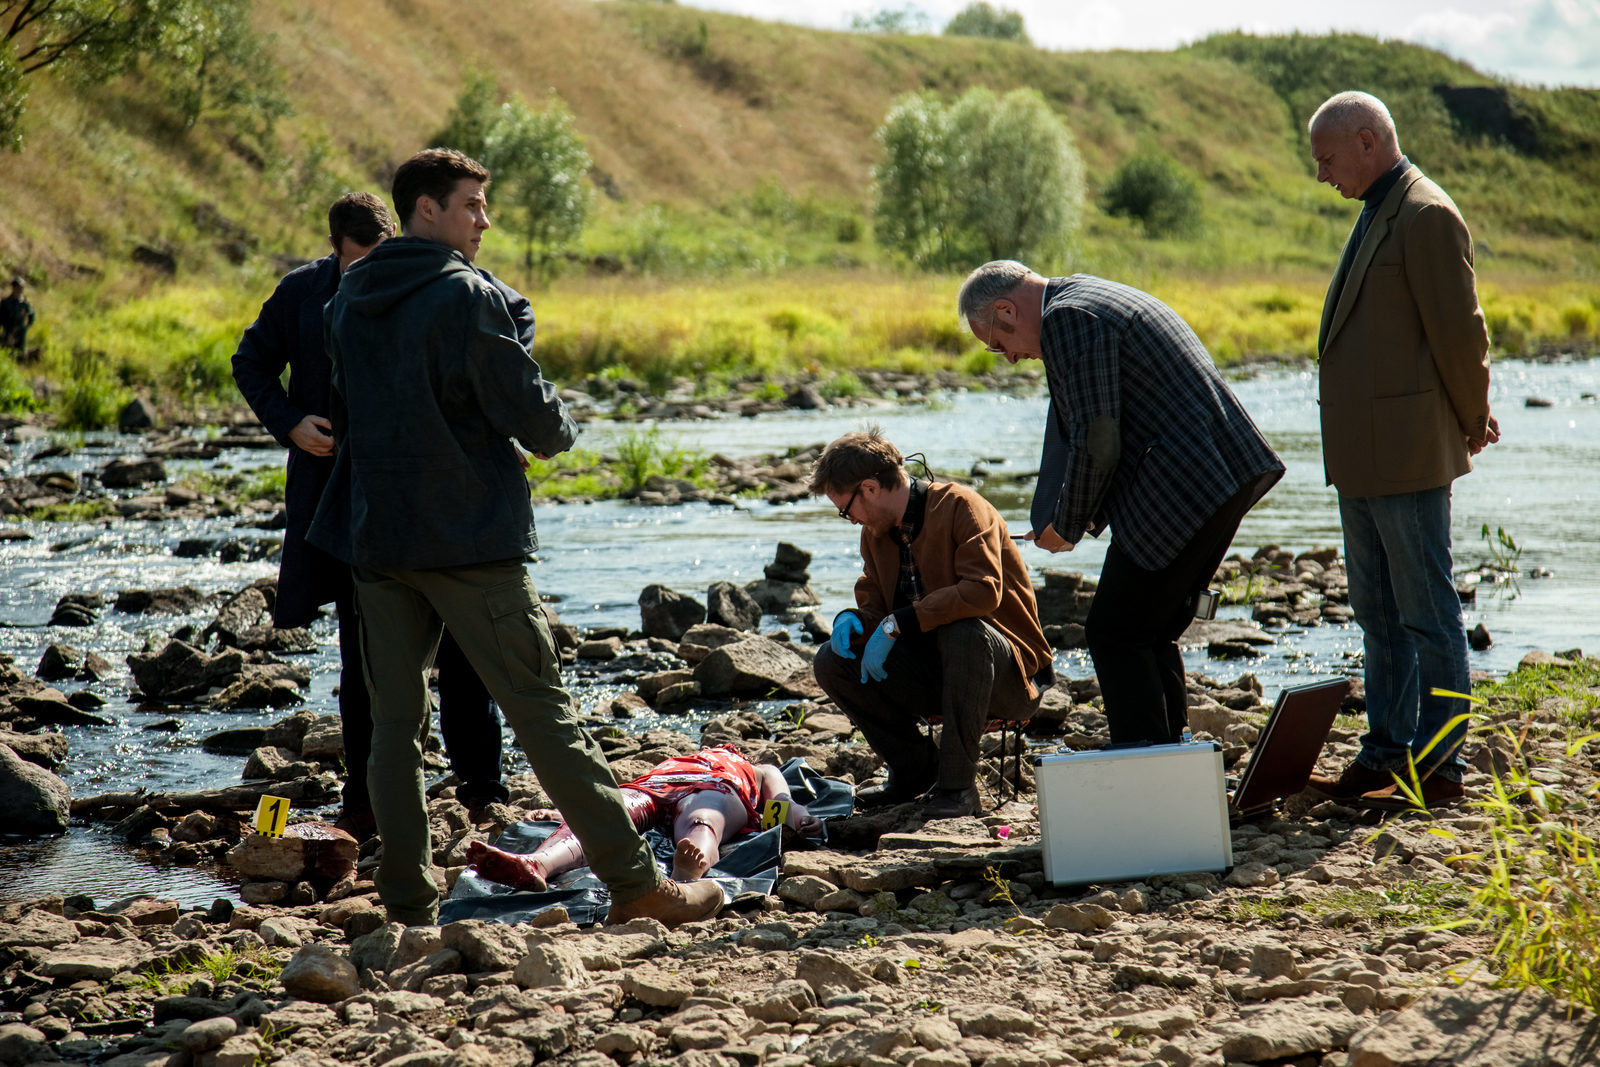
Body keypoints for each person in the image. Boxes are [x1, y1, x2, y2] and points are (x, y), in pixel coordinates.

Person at [308, 148, 720, 928]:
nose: (484, 220)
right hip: (470, 541)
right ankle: (637, 885)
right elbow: (539, 422)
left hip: (377, 542)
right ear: (425, 209)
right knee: (543, 710)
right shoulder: (466, 294)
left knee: (394, 726)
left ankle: (406, 901)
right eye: (471, 205)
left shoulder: (347, 293)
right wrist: (552, 415)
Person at [230, 194, 508, 839]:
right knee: (364, 662)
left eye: (378, 260)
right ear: (335, 250)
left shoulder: (445, 281)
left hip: (438, 495)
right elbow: (251, 363)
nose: (369, 275)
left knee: (467, 652)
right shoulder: (300, 292)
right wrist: (290, 422)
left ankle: (483, 791)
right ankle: (363, 800)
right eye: (356, 264)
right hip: (341, 498)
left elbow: (505, 335)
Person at [957, 262, 1285, 747]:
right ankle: (1172, 762)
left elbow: (1099, 440)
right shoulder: (1085, 297)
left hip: (1185, 484)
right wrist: (1073, 514)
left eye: (997, 343)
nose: (1007, 358)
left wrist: (1066, 527)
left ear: (1007, 309)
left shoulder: (1068, 319)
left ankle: (1147, 767)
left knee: (1114, 632)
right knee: (1149, 631)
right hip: (1219, 476)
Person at [1302, 91, 1496, 808]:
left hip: (1408, 453)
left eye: (1326, 158)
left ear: (1365, 140)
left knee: (1426, 611)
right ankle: (1385, 753)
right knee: (1377, 612)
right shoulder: (1382, 208)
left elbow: (1460, 334)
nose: (1321, 173)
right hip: (1364, 457)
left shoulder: (1426, 213)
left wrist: (1473, 419)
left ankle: (1440, 766)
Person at [808, 430, 1054, 819]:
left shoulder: (963, 507)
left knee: (963, 631)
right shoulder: (874, 534)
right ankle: (916, 775)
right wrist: (853, 619)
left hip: (1008, 678)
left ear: (869, 488)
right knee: (831, 661)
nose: (849, 519)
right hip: (937, 673)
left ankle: (957, 790)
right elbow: (874, 601)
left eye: (846, 509)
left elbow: (981, 593)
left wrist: (897, 624)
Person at [464, 745, 823, 891]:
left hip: (718, 789)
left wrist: (800, 818)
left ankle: (688, 872)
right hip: (655, 788)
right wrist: (561, 813)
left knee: (704, 821)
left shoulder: (756, 769)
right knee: (603, 812)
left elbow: (780, 800)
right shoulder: (677, 762)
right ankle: (537, 864)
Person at [0, 278, 34, 357]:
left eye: (20, 288)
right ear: (13, 288)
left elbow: (31, 314)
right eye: (17, 288)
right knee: (6, 351)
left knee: (20, 353)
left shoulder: (24, 303)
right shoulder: (6, 302)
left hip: (20, 331)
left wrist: (27, 326)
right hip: (8, 330)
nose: (19, 290)